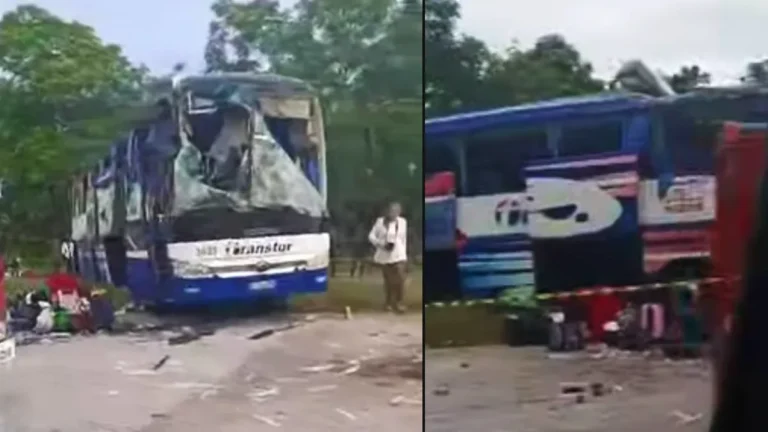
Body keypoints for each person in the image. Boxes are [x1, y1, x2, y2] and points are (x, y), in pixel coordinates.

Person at [368, 201, 408, 312]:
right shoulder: (380, 221)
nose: (394, 213)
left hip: (399, 255)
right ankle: (388, 303)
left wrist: (404, 253)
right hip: (385, 255)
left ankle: (399, 302)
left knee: (400, 279)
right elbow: (371, 236)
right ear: (388, 211)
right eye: (392, 210)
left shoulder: (403, 222)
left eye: (396, 211)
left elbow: (403, 239)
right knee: (389, 281)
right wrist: (380, 243)